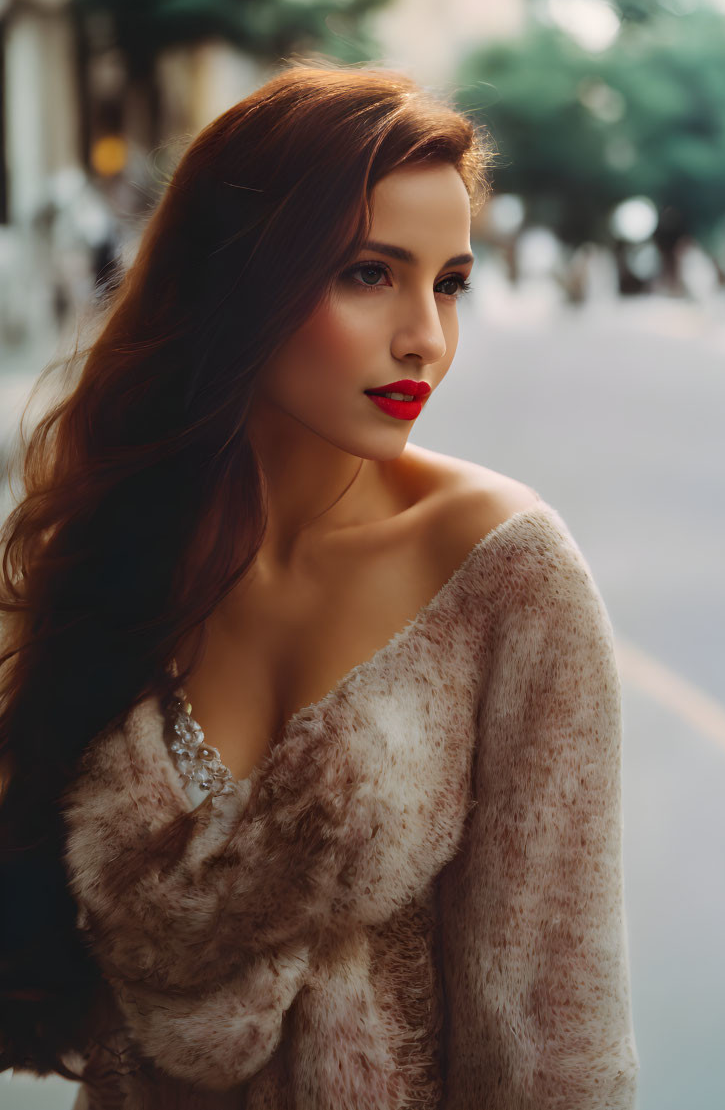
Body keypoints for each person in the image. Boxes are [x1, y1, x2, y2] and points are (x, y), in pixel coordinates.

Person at [0, 59, 639, 1108]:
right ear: (238, 278)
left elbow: (554, 1056)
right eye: (369, 273)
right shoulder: (135, 539)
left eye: (449, 284)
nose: (425, 339)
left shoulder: (510, 577)